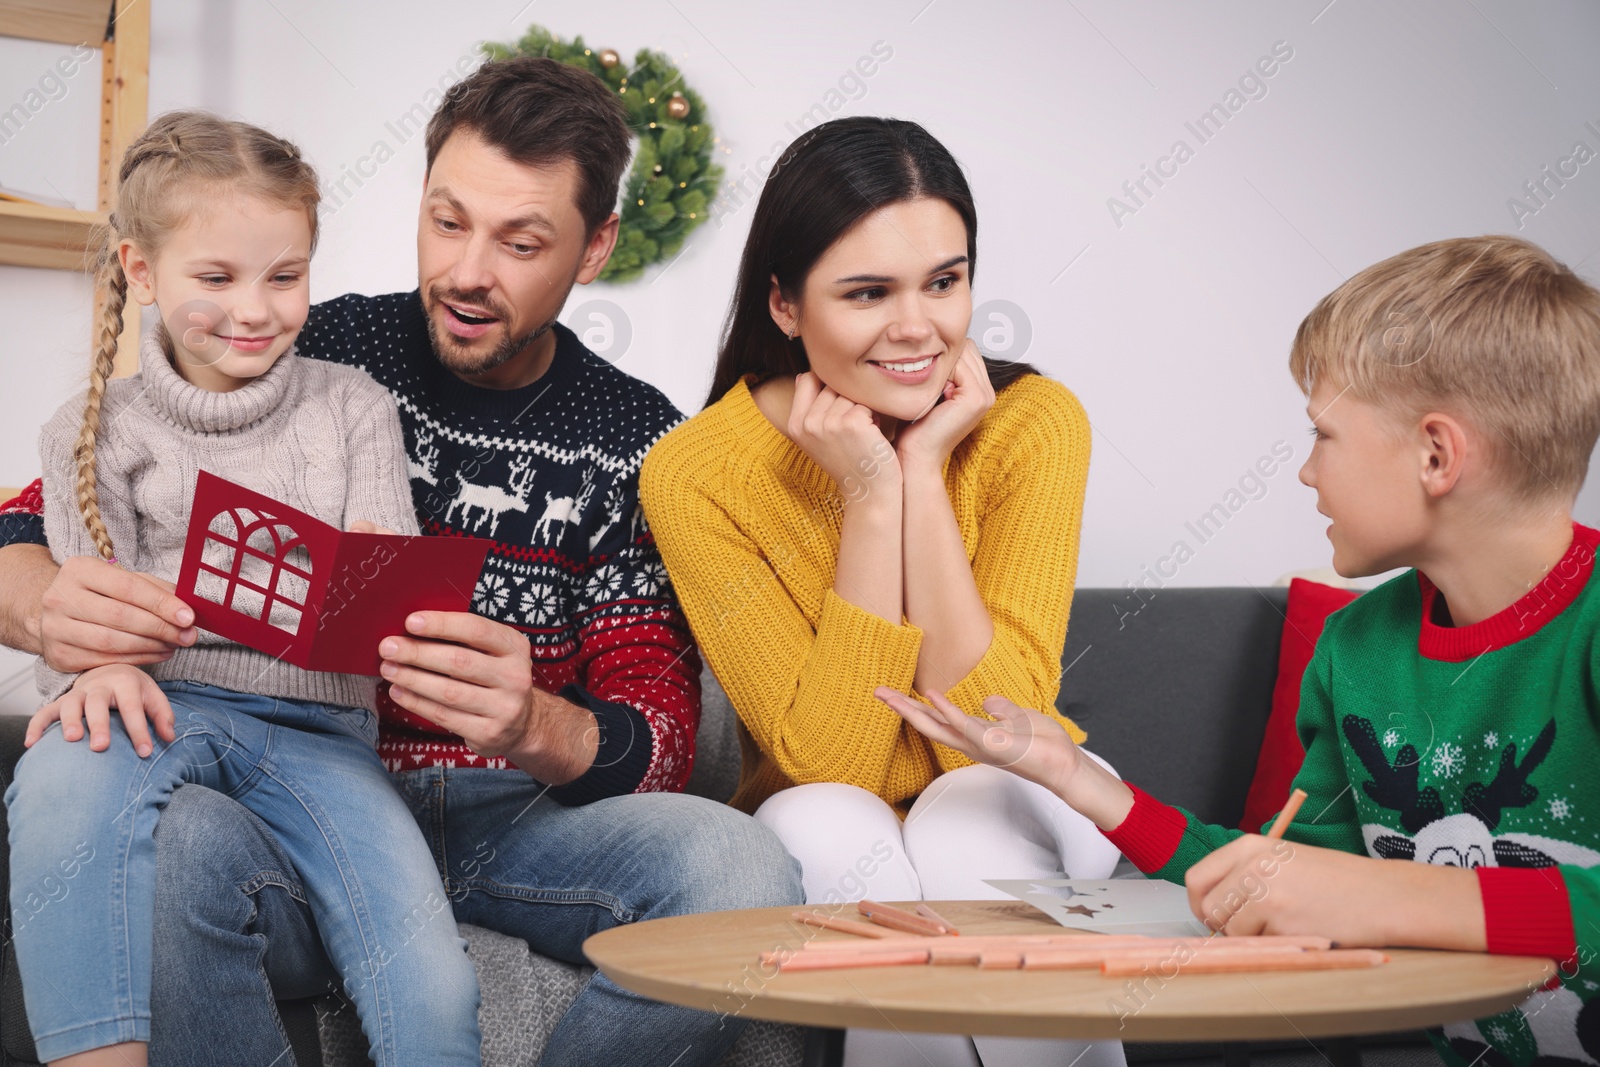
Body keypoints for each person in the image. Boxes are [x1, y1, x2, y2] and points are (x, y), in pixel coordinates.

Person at [0, 57, 800, 1067]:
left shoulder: (634, 439)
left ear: (593, 247)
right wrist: (45, 610)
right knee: (173, 837)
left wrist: (534, 722)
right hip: (292, 807)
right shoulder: (310, 343)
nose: (469, 270)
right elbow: (34, 518)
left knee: (743, 868)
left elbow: (665, 732)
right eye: (446, 219)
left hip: (518, 820)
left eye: (521, 243)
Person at [879, 234, 1600, 1067]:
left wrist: (1380, 893)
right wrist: (1075, 778)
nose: (1304, 472)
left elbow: (1354, 890)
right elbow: (1279, 876)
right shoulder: (1357, 647)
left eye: (1324, 435)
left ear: (1437, 454)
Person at [640, 116, 1124, 1067]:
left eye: (944, 281)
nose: (919, 329)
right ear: (784, 305)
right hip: (826, 807)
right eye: (869, 293)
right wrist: (867, 494)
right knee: (826, 820)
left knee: (970, 811)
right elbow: (831, 764)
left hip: (1024, 782)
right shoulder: (694, 472)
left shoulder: (1033, 425)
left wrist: (925, 473)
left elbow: (1006, 721)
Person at [5, 110, 482, 1067]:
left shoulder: (351, 406)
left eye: (286, 275)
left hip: (323, 738)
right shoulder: (90, 428)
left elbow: (385, 588)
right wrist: (95, 668)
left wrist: (409, 623)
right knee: (58, 766)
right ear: (142, 272)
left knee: (430, 977)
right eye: (215, 279)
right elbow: (84, 605)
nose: (254, 309)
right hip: (167, 705)